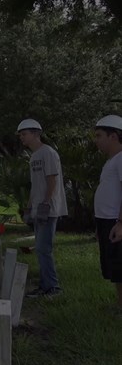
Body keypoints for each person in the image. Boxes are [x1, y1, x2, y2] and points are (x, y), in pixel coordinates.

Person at [17, 118, 68, 298]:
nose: (22, 137)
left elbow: (52, 179)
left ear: (36, 134)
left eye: (24, 134)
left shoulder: (48, 153)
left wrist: (46, 203)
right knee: (40, 248)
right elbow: (35, 185)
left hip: (49, 208)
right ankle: (44, 286)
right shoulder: (33, 157)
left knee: (43, 248)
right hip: (38, 207)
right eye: (20, 135)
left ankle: (53, 288)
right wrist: (29, 207)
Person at [93, 114, 122, 311]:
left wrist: (121, 223)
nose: (96, 140)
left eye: (99, 135)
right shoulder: (112, 160)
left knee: (120, 266)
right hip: (106, 221)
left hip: (115, 221)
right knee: (114, 266)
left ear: (113, 136)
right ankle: (120, 304)